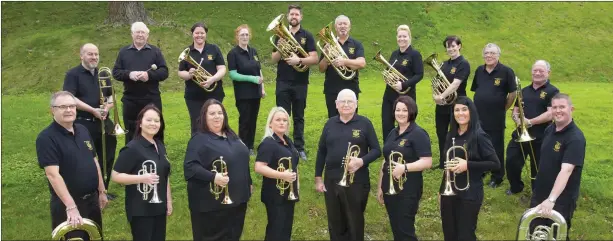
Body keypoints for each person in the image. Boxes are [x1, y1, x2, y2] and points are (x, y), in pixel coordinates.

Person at [36, 91, 108, 240]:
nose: (68, 110)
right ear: (52, 110)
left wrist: (101, 191)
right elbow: (52, 175)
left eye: (71, 106)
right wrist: (71, 206)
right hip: (68, 205)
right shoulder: (46, 138)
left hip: (92, 201)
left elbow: (94, 160)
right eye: (62, 107)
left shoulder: (82, 130)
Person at [315, 89, 381, 241]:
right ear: (336, 105)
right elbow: (321, 151)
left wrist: (361, 161)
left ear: (356, 104)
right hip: (331, 180)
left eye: (350, 101)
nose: (346, 104)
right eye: (342, 101)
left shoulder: (365, 123)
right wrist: (318, 177)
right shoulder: (330, 124)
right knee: (335, 221)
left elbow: (377, 150)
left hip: (357, 181)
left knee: (354, 221)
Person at [183, 99, 252, 241]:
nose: (217, 116)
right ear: (204, 117)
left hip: (237, 202)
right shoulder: (199, 139)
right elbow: (190, 167)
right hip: (212, 206)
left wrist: (248, 183)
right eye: (212, 113)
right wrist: (213, 177)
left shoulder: (231, 135)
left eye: (220, 113)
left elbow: (242, 160)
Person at [439, 96, 500, 241]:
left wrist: (467, 165)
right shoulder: (451, 135)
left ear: (471, 112)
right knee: (449, 234)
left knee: (465, 235)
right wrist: (441, 191)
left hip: (470, 193)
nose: (460, 113)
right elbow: (448, 166)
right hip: (450, 192)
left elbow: (495, 164)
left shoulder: (479, 136)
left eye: (464, 110)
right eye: (457, 110)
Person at [63, 43, 117, 199]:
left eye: (96, 54)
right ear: (81, 56)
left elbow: (111, 98)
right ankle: (88, 191)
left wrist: (107, 108)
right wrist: (93, 110)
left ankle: (103, 191)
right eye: (90, 54)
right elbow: (70, 97)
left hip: (104, 121)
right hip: (84, 122)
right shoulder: (73, 74)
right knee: (86, 159)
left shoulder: (102, 74)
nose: (94, 57)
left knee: (107, 156)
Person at [111, 104, 172, 241]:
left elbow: (165, 175)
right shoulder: (132, 148)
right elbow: (115, 176)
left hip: (159, 206)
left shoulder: (159, 145)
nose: (153, 124)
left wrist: (168, 201)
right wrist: (141, 178)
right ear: (140, 123)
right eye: (149, 120)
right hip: (141, 209)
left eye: (157, 121)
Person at [529, 93, 585, 241]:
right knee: (534, 232)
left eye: (562, 107)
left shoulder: (575, 138)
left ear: (571, 109)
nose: (558, 111)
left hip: (560, 198)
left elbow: (566, 170)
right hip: (540, 192)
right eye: (554, 107)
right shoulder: (550, 129)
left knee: (556, 234)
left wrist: (551, 199)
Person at [376, 96, 432, 241]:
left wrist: (404, 167)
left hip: (408, 191)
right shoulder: (392, 133)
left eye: (404, 110)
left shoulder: (418, 133)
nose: (400, 113)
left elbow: (427, 162)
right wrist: (380, 187)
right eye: (397, 110)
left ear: (411, 112)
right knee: (396, 229)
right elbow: (386, 161)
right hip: (389, 188)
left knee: (405, 231)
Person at [505, 60, 559, 195]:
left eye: (541, 70)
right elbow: (516, 110)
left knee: (539, 167)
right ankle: (516, 187)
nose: (537, 73)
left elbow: (550, 113)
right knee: (511, 161)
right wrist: (517, 119)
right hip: (521, 133)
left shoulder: (552, 91)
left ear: (548, 73)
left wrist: (531, 122)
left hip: (541, 135)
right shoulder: (523, 91)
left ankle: (538, 191)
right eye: (535, 70)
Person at [271, 4, 318, 160]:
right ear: (288, 16)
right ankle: (281, 145)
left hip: (300, 82)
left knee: (298, 116)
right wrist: (279, 48)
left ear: (301, 17)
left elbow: (314, 58)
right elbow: (273, 59)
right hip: (282, 81)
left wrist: (299, 59)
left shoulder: (307, 35)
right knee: (281, 115)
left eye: (297, 14)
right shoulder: (280, 35)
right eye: (291, 14)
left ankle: (299, 147)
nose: (294, 17)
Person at [113, 21, 169, 144]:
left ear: (147, 35)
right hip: (130, 100)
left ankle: (157, 157)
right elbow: (116, 72)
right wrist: (129, 75)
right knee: (131, 132)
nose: (140, 35)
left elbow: (164, 72)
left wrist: (149, 75)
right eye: (137, 32)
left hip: (151, 99)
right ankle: (132, 158)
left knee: (155, 130)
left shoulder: (155, 51)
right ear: (132, 34)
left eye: (142, 32)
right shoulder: (123, 52)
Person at [471, 43, 517, 188]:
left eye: (492, 53)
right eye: (486, 53)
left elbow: (513, 93)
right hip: (478, 115)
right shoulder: (479, 70)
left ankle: (497, 176)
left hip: (495, 117)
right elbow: (476, 90)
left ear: (498, 55)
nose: (489, 56)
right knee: (478, 145)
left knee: (495, 147)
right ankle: (483, 169)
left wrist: (503, 107)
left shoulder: (506, 72)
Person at [254, 107, 300, 241]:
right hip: (275, 195)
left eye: (285, 120)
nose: (282, 123)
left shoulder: (287, 141)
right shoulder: (268, 143)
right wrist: (282, 176)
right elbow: (259, 167)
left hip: (288, 194)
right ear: (270, 123)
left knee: (285, 229)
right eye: (278, 120)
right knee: (276, 231)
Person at [178, 22, 227, 136]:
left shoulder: (214, 49)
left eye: (202, 33)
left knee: (215, 122)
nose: (199, 35)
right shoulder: (187, 52)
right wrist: (190, 74)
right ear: (192, 34)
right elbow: (181, 72)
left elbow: (222, 69)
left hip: (214, 93)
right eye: (196, 33)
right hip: (193, 96)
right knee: (197, 123)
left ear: (206, 34)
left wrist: (212, 79)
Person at [434, 35, 471, 169]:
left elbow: (456, 84)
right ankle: (443, 161)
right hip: (442, 105)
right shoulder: (444, 64)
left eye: (453, 46)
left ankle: (456, 160)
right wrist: (436, 95)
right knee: (441, 132)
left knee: (456, 132)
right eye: (448, 47)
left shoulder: (463, 63)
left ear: (459, 46)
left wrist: (442, 96)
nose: (450, 49)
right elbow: (437, 82)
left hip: (457, 103)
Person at [380, 25, 424, 140]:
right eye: (399, 36)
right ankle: (388, 151)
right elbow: (390, 70)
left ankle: (406, 149)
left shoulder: (415, 54)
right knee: (387, 124)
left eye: (404, 36)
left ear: (409, 37)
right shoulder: (394, 54)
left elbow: (419, 75)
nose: (402, 39)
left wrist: (403, 85)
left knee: (406, 125)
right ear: (396, 38)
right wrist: (387, 75)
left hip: (406, 96)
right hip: (389, 95)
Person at [227, 24, 265, 155]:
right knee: (245, 120)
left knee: (253, 120)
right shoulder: (233, 54)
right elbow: (233, 74)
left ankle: (250, 146)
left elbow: (259, 70)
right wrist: (252, 79)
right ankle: (242, 146)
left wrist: (262, 88)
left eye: (246, 34)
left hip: (256, 93)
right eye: (242, 34)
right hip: (243, 94)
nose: (244, 37)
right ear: (237, 37)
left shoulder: (253, 51)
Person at [319, 15, 366, 118]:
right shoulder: (328, 45)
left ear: (349, 27)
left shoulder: (356, 44)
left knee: (352, 118)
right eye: (340, 24)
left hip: (351, 87)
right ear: (335, 27)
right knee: (333, 119)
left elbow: (362, 63)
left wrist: (344, 61)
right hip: (331, 89)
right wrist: (326, 58)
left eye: (345, 24)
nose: (342, 26)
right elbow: (321, 69)